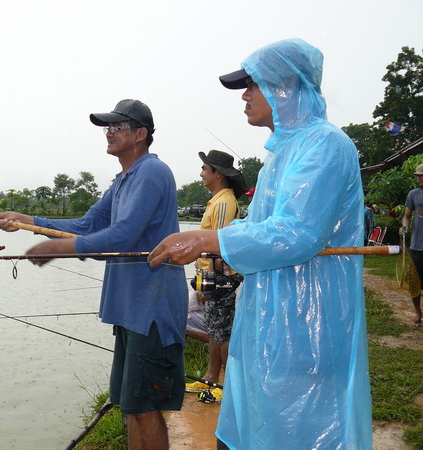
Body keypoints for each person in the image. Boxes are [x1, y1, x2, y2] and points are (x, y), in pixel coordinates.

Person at [148, 39, 372, 449]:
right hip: (265, 316)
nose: (245, 96)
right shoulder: (279, 155)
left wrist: (205, 238)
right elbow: (262, 230)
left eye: (253, 85)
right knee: (245, 430)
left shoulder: (325, 144)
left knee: (299, 428)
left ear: (288, 86)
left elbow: (296, 234)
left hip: (308, 325)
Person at [0, 99, 188, 450]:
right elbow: (89, 224)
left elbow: (123, 234)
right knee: (131, 407)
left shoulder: (153, 172)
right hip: (130, 309)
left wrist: (60, 249)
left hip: (152, 310)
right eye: (106, 128)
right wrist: (29, 222)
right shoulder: (123, 180)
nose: (108, 133)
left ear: (140, 134)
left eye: (116, 127)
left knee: (146, 408)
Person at [184, 150, 246, 402]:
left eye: (204, 169)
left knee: (223, 334)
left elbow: (219, 246)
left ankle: (228, 386)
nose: (201, 174)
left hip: (220, 278)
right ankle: (210, 378)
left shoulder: (223, 203)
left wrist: (209, 283)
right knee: (215, 331)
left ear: (217, 173)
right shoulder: (217, 201)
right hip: (212, 276)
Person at [401, 163, 423, 327]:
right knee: (414, 283)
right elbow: (407, 216)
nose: (419, 178)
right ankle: (418, 312)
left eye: (421, 175)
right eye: (418, 175)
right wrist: (404, 226)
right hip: (416, 246)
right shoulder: (413, 194)